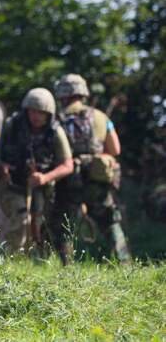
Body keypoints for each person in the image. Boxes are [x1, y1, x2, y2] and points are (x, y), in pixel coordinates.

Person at [52, 74, 130, 264]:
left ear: (62, 94)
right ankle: (124, 263)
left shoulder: (57, 119)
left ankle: (67, 270)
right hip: (97, 179)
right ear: (83, 92)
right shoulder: (101, 117)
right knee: (110, 221)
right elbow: (115, 149)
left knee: (65, 226)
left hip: (68, 180)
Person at [0, 88, 74, 254]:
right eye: (33, 111)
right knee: (21, 219)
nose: (36, 116)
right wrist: (2, 165)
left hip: (43, 189)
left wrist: (45, 178)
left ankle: (41, 261)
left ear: (49, 114)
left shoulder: (55, 132)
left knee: (43, 227)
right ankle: (10, 261)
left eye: (41, 112)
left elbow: (68, 165)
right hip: (13, 185)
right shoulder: (12, 126)